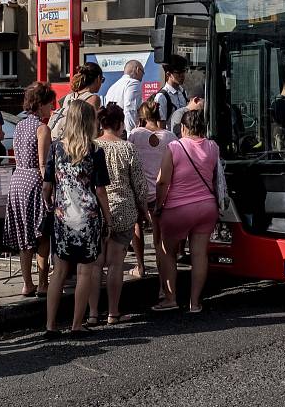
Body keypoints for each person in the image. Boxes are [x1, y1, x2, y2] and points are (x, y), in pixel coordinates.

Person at [42, 100, 112, 338]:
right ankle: (76, 325)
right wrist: (109, 220)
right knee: (84, 272)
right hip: (88, 218)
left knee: (59, 272)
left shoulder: (55, 148)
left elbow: (47, 185)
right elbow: (100, 190)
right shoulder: (95, 151)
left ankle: (50, 326)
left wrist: (50, 203)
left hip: (62, 217)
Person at [154, 110, 219, 313]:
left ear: (183, 127)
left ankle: (171, 298)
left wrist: (158, 205)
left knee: (168, 253)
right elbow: (216, 178)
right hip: (207, 207)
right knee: (199, 255)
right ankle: (195, 302)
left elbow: (163, 181)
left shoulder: (175, 146)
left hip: (178, 209)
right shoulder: (213, 147)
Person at [88, 104, 148, 324]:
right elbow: (140, 185)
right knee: (116, 264)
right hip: (122, 209)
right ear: (119, 124)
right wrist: (144, 209)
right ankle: (113, 312)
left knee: (94, 265)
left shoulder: (92, 147)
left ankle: (93, 313)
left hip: (95, 210)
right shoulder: (127, 149)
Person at [3, 82, 56, 298]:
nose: (51, 108)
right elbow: (44, 163)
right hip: (35, 180)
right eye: (49, 104)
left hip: (18, 180)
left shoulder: (19, 126)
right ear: (41, 104)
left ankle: (27, 283)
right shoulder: (42, 128)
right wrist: (49, 187)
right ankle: (43, 283)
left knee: (25, 234)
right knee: (42, 234)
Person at [129, 99, 178, 286]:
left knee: (137, 227)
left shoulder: (134, 135)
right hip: (161, 192)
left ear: (141, 117)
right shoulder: (170, 137)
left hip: (139, 191)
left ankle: (140, 265)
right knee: (159, 240)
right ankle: (161, 282)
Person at [50, 63, 104, 139]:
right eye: (102, 80)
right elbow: (92, 128)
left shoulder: (69, 97)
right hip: (79, 142)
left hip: (63, 141)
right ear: (98, 78)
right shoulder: (93, 98)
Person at [104, 60, 144, 135]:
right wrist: (131, 133)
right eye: (143, 73)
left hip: (112, 132)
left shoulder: (112, 87)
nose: (142, 77)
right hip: (125, 133)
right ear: (138, 70)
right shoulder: (133, 83)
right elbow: (130, 109)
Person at [154, 55, 188, 126]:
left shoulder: (183, 92)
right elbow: (161, 127)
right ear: (168, 74)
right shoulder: (162, 97)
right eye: (179, 73)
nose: (182, 75)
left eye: (184, 71)